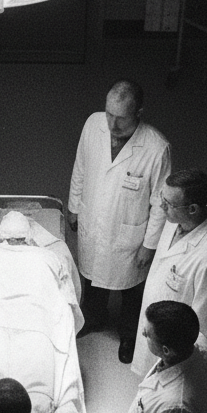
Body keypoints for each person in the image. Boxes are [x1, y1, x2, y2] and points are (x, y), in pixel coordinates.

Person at [67, 79, 171, 364]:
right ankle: (93, 318)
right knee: (92, 276)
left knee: (131, 289)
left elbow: (160, 205)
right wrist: (74, 205)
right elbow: (81, 165)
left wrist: (149, 246)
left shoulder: (156, 149)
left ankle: (128, 335)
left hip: (130, 234)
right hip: (94, 219)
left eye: (121, 118)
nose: (112, 125)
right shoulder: (93, 124)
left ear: (139, 113)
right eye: (109, 114)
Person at [131, 168, 207, 377]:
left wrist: (179, 362)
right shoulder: (174, 222)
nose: (161, 206)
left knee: (167, 393)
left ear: (192, 209)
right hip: (157, 328)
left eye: (169, 203)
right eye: (162, 197)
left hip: (176, 351)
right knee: (149, 383)